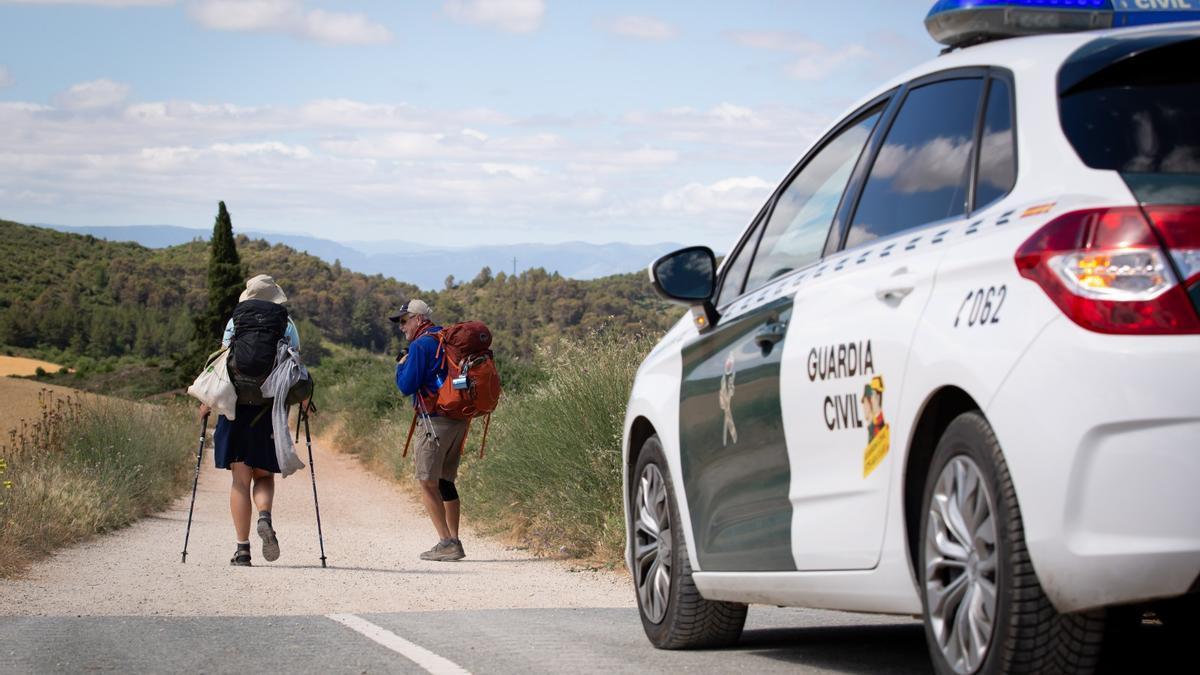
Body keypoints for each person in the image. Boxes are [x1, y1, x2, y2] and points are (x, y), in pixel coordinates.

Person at [198, 274, 307, 566]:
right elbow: (295, 364)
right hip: (268, 410)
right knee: (263, 475)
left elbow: (222, 361)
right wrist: (305, 401)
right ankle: (264, 517)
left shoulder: (236, 321)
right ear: (275, 297)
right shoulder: (286, 323)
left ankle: (242, 550)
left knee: (239, 480)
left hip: (235, 408)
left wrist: (206, 401)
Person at [390, 298, 468, 562]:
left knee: (426, 482)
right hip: (459, 418)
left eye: (403, 320)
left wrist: (400, 365)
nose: (401, 327)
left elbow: (407, 386)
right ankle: (454, 539)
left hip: (434, 420)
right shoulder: (444, 338)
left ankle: (446, 542)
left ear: (418, 319)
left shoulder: (421, 345)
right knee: (446, 481)